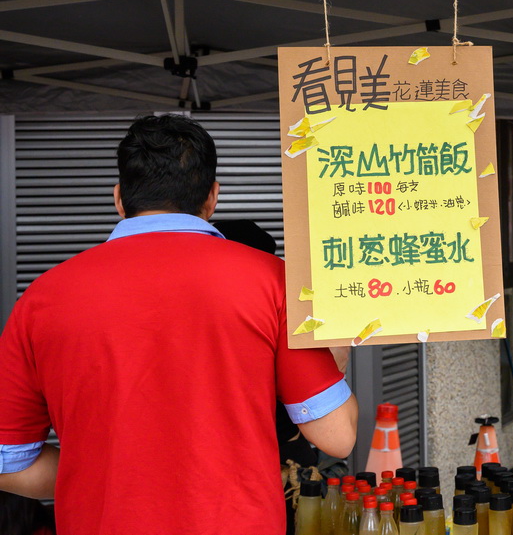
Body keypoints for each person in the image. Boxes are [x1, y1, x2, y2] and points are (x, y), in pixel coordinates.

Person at [0, 114, 359, 535]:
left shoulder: (43, 298)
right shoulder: (272, 281)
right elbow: (337, 436)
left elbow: (9, 465)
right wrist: (336, 346)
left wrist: (113, 476)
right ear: (212, 197)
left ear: (119, 199)